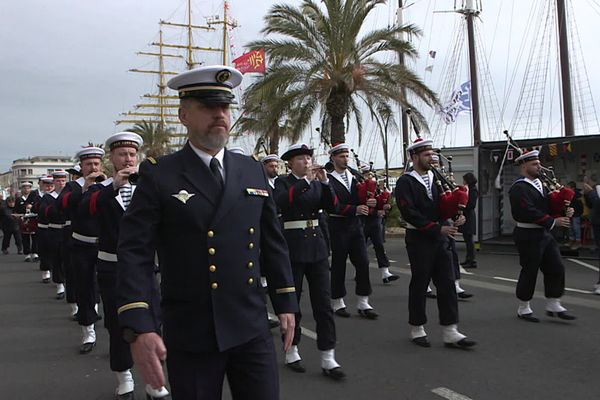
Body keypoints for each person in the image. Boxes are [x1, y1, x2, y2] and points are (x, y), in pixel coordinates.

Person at [116, 65, 298, 400]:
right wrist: (139, 324)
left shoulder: (251, 170)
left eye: (225, 107)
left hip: (250, 323)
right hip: (192, 329)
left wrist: (286, 300)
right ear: (184, 114)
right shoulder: (160, 175)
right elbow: (135, 253)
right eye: (208, 106)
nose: (219, 114)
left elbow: (272, 242)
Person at [81, 132, 170, 400]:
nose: (128, 159)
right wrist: (113, 189)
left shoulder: (150, 186)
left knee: (154, 321)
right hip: (113, 270)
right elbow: (84, 210)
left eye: (132, 154)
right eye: (122, 154)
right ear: (111, 159)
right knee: (119, 326)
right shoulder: (101, 188)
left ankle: (155, 380)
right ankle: (124, 375)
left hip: (144, 269)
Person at [395, 138, 476, 349]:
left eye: (432, 154)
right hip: (420, 239)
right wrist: (435, 228)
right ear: (414, 157)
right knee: (420, 283)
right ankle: (417, 327)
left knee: (447, 283)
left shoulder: (437, 177)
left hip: (441, 239)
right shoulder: (406, 181)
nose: (431, 158)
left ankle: (450, 330)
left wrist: (457, 215)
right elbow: (408, 212)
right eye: (426, 155)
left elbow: (445, 204)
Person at [274, 143, 345, 380]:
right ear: (291, 163)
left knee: (323, 303)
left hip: (316, 248)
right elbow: (284, 202)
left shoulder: (316, 183)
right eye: (302, 159)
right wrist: (305, 182)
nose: (307, 162)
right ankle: (292, 349)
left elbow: (332, 206)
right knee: (293, 302)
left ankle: (328, 356)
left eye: (308, 158)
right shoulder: (284, 182)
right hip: (293, 248)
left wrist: (325, 184)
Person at [509, 150, 576, 322]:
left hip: (544, 233)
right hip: (527, 233)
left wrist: (564, 210)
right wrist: (554, 222)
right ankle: (523, 307)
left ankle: (553, 303)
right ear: (524, 166)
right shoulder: (518, 188)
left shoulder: (542, 184)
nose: (539, 166)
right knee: (530, 270)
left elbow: (550, 205)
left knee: (556, 267)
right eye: (534, 164)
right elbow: (528, 210)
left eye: (538, 163)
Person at [58, 146, 106, 353]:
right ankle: (88, 332)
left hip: (107, 245)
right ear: (82, 166)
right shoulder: (72, 186)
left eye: (96, 164)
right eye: (88, 164)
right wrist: (85, 188)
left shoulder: (111, 183)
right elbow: (62, 205)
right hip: (82, 244)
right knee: (84, 286)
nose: (93, 168)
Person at [326, 143, 378, 320]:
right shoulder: (328, 180)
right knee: (339, 264)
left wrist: (370, 202)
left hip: (356, 227)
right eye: (341, 156)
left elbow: (363, 197)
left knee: (363, 262)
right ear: (333, 158)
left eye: (346, 156)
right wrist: (354, 209)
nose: (345, 159)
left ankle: (363, 301)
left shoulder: (355, 178)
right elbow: (331, 205)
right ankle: (337, 301)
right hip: (338, 226)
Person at [359, 166, 399, 284]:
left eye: (370, 174)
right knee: (361, 248)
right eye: (366, 174)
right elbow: (362, 204)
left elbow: (384, 204)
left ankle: (385, 273)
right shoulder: (360, 188)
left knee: (379, 246)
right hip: (363, 221)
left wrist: (387, 207)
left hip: (375, 222)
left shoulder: (378, 190)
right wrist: (377, 210)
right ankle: (359, 271)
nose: (369, 176)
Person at [261, 154, 283, 330]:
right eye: (271, 166)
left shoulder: (279, 185)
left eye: (276, 166)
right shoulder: (261, 185)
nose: (274, 169)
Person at [45, 170, 68, 300]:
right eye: (58, 181)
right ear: (54, 182)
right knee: (57, 258)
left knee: (68, 259)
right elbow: (46, 213)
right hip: (54, 230)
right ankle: (59, 284)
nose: (61, 183)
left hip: (67, 230)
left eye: (63, 181)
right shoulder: (48, 197)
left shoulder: (69, 194)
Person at [35, 176, 54, 283]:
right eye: (47, 186)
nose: (49, 188)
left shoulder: (58, 196)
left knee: (55, 251)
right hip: (43, 227)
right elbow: (35, 208)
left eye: (51, 186)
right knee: (44, 250)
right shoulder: (39, 197)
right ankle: (45, 270)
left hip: (54, 227)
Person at [582, 179, 600, 295]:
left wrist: (590, 193)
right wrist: (586, 193)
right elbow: (591, 205)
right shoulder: (597, 189)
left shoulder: (595, 191)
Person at [15, 181, 40, 262]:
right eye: (24, 187)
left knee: (35, 236)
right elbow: (16, 210)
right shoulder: (19, 199)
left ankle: (35, 252)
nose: (26, 189)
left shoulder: (34, 197)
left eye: (28, 188)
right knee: (25, 237)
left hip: (33, 218)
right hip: (24, 219)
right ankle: (27, 254)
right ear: (22, 189)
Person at [460, 172, 479, 268]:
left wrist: (463, 205)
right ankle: (468, 259)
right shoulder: (468, 189)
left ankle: (472, 260)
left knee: (469, 240)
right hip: (467, 215)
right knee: (467, 239)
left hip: (469, 216)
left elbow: (471, 204)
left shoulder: (473, 190)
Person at [566, 181, 583, 249]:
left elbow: (580, 205)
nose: (567, 188)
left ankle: (578, 242)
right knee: (570, 227)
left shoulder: (577, 194)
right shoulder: (569, 194)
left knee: (576, 227)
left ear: (572, 188)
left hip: (576, 213)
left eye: (568, 187)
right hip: (570, 213)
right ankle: (571, 240)